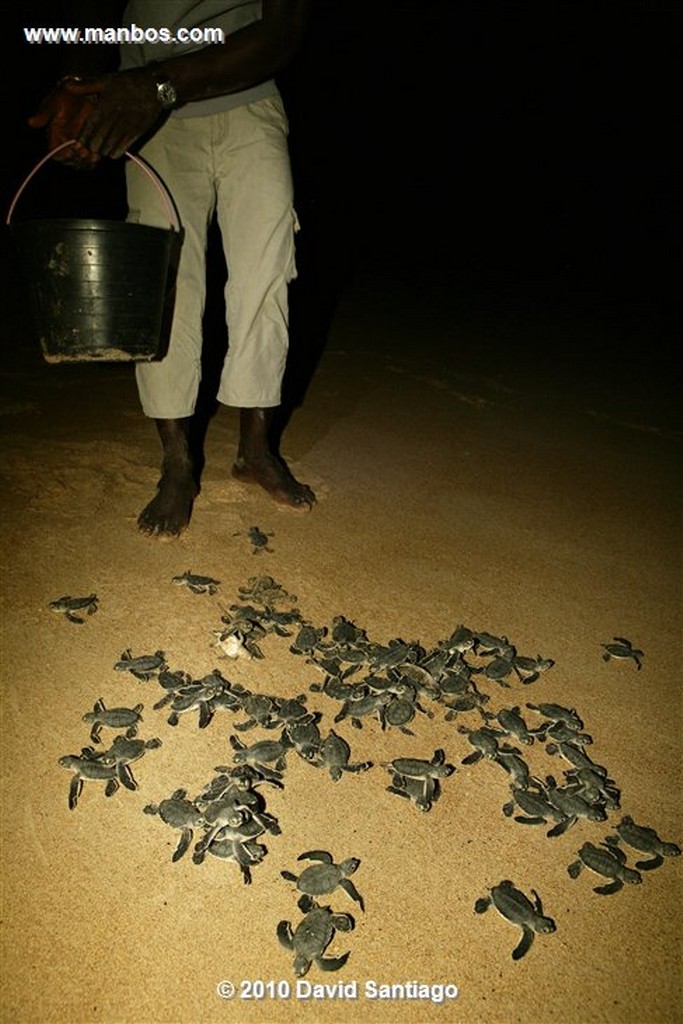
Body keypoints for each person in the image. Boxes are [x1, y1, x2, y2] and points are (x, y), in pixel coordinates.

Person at [29, 0, 316, 537]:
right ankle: (177, 465)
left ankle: (254, 451)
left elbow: (285, 31)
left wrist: (155, 84)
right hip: (153, 119)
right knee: (164, 288)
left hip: (247, 96)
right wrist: (75, 81)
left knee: (267, 269)